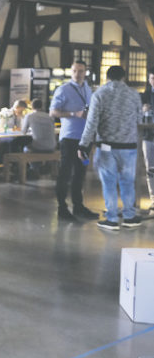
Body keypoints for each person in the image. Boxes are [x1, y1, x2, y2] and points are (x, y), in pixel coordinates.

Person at [78, 66, 142, 230]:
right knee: (128, 182)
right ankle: (129, 216)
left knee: (109, 182)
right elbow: (139, 119)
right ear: (124, 77)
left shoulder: (100, 94)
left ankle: (112, 219)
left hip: (107, 146)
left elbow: (92, 122)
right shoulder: (134, 95)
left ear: (107, 77)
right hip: (129, 146)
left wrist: (84, 145)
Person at [49, 60, 99, 221]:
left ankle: (78, 206)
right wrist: (73, 114)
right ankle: (62, 208)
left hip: (85, 139)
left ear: (86, 72)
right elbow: (53, 112)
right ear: (71, 72)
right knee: (65, 172)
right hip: (69, 138)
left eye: (81, 71)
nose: (78, 74)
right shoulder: (63, 90)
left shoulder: (88, 89)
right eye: (75, 71)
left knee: (80, 173)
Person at [140, 69, 154, 214]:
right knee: (150, 169)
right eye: (152, 78)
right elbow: (137, 114)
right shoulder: (145, 95)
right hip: (148, 135)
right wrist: (142, 110)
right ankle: (153, 200)